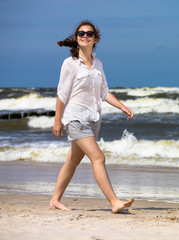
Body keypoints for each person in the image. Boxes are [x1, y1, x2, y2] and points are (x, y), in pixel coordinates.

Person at [50, 20, 134, 214]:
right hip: (75, 118)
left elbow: (104, 92)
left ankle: (55, 200)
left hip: (93, 119)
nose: (85, 36)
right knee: (98, 157)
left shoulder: (98, 64)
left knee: (72, 161)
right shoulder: (70, 64)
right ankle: (114, 202)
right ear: (76, 37)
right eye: (81, 33)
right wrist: (57, 121)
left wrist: (122, 106)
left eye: (89, 33)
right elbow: (62, 94)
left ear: (95, 38)